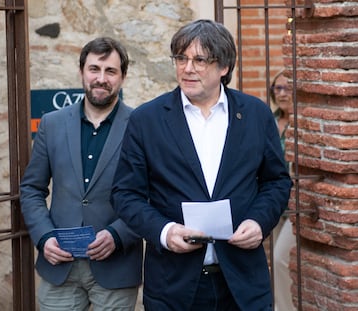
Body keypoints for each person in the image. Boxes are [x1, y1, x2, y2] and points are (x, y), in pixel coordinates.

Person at [111, 19, 293, 311]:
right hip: (173, 285)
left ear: (223, 67)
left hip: (243, 285)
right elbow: (124, 194)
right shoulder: (147, 120)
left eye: (199, 59)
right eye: (181, 58)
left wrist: (259, 222)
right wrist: (165, 231)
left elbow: (277, 182)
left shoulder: (256, 114)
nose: (187, 68)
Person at [20, 37, 143, 311]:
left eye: (110, 71)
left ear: (122, 76)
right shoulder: (51, 124)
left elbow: (153, 195)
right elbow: (31, 190)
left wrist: (118, 234)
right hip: (59, 266)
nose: (101, 78)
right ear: (81, 72)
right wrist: (43, 237)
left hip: (116, 267)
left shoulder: (141, 126)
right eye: (94, 69)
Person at [270, 70, 297, 311]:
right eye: (277, 88)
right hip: (272, 201)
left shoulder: (303, 123)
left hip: (295, 204)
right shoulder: (271, 121)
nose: (281, 93)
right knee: (273, 259)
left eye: (287, 88)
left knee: (280, 258)